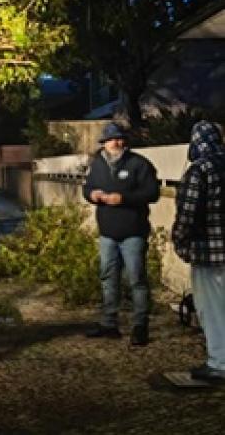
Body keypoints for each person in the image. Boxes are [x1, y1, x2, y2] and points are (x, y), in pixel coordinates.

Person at [82, 121, 159, 346]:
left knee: (136, 279)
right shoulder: (97, 164)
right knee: (108, 277)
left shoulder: (139, 164)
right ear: (104, 142)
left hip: (133, 231)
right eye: (112, 139)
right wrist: (92, 195)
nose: (117, 142)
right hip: (107, 232)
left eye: (120, 138)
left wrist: (123, 199)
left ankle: (140, 326)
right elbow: (86, 188)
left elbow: (152, 192)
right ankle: (109, 323)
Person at [171, 120, 225, 384]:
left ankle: (219, 362)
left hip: (210, 253)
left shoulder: (200, 170)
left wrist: (180, 242)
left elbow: (188, 212)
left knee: (212, 309)